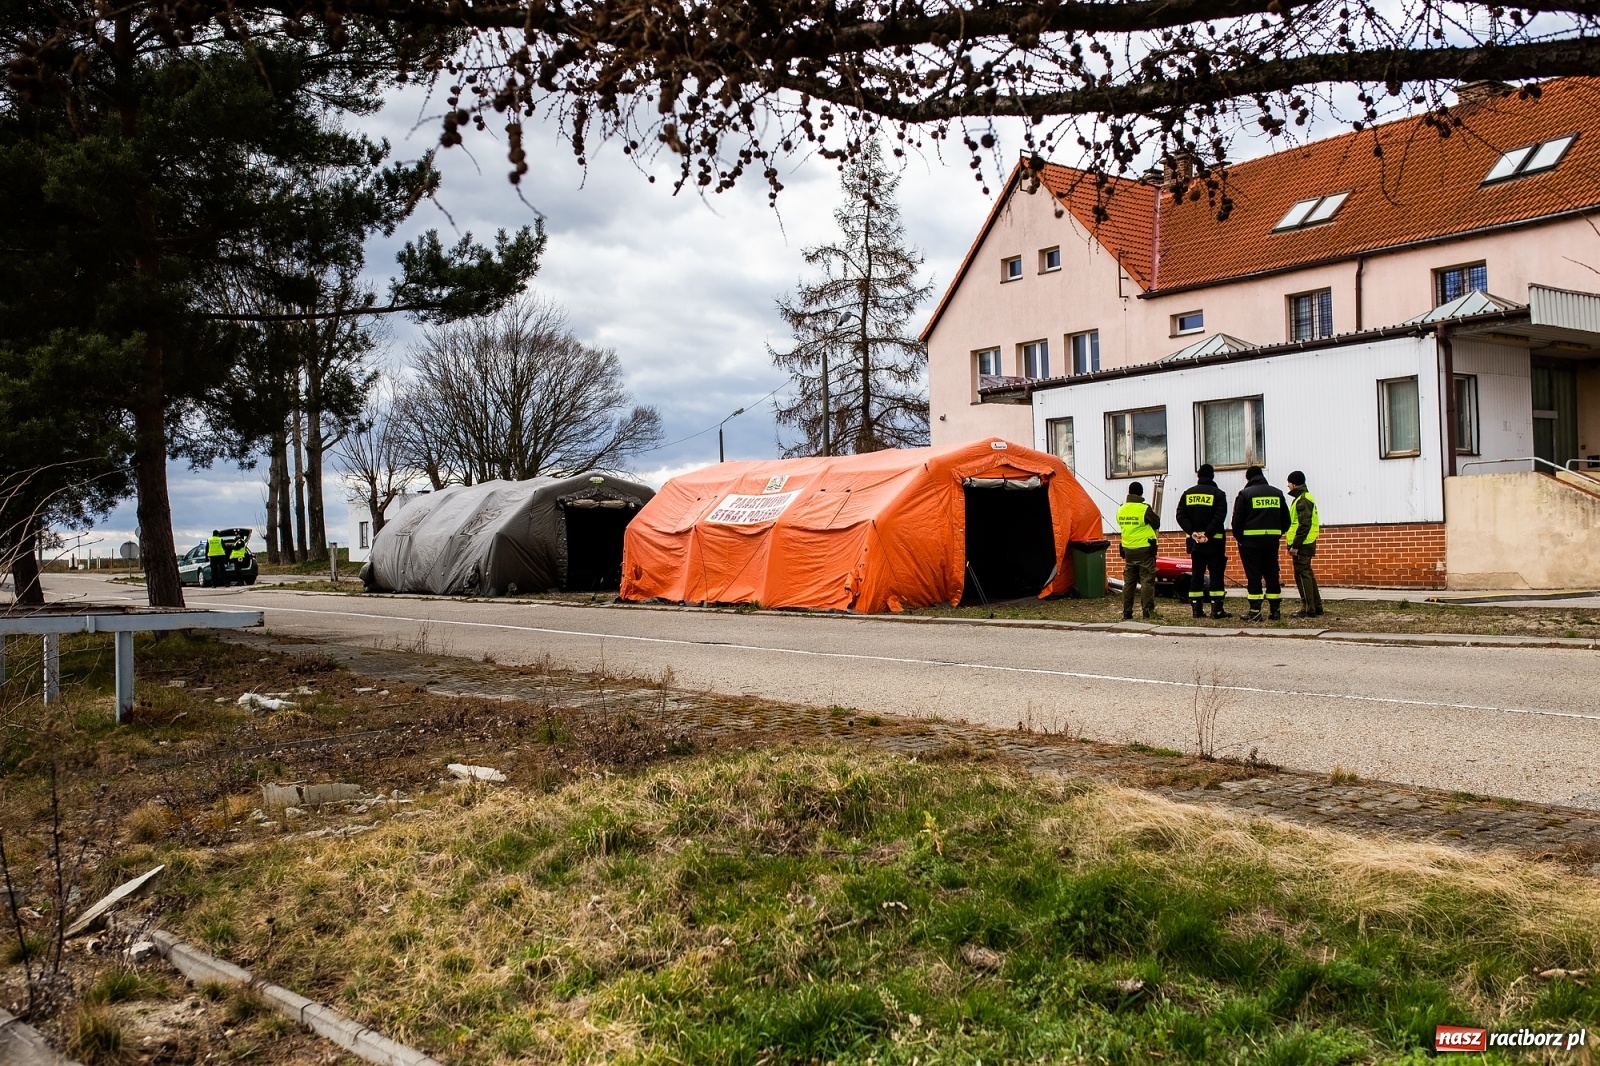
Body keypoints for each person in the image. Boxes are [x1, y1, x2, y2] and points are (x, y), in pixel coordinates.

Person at [1230, 466, 1290, 622]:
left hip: (1250, 543)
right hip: (1271, 542)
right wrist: (1276, 534)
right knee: (1272, 574)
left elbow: (1237, 521)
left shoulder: (1245, 494)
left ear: (1248, 478)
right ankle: (1275, 611)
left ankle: (1255, 612)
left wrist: (1240, 538)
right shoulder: (1277, 493)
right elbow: (1286, 521)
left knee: (1254, 575)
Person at [1175, 462, 1230, 619]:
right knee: (1216, 574)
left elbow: (1180, 515)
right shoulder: (1218, 494)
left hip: (1195, 544)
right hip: (1214, 542)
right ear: (1212, 476)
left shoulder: (1188, 494)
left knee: (1197, 574)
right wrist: (1207, 533)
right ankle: (1217, 610)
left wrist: (1193, 533)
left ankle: (1196, 610)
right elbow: (1220, 516)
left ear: (1198, 476)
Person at [1116, 482, 1160, 620]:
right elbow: (1156, 523)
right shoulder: (1144, 508)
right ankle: (1147, 612)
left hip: (1128, 550)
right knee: (1147, 581)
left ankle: (1127, 612)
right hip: (1145, 550)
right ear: (1141, 493)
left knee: (1129, 583)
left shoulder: (1121, 509)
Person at [1286, 470, 1324, 617]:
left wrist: (1295, 545)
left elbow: (1304, 524)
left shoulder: (1302, 499)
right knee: (1307, 573)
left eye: (1289, 482)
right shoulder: (1304, 497)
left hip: (1302, 543)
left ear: (1294, 483)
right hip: (1305, 542)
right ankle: (1316, 606)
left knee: (1302, 575)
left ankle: (1308, 608)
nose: (1287, 485)